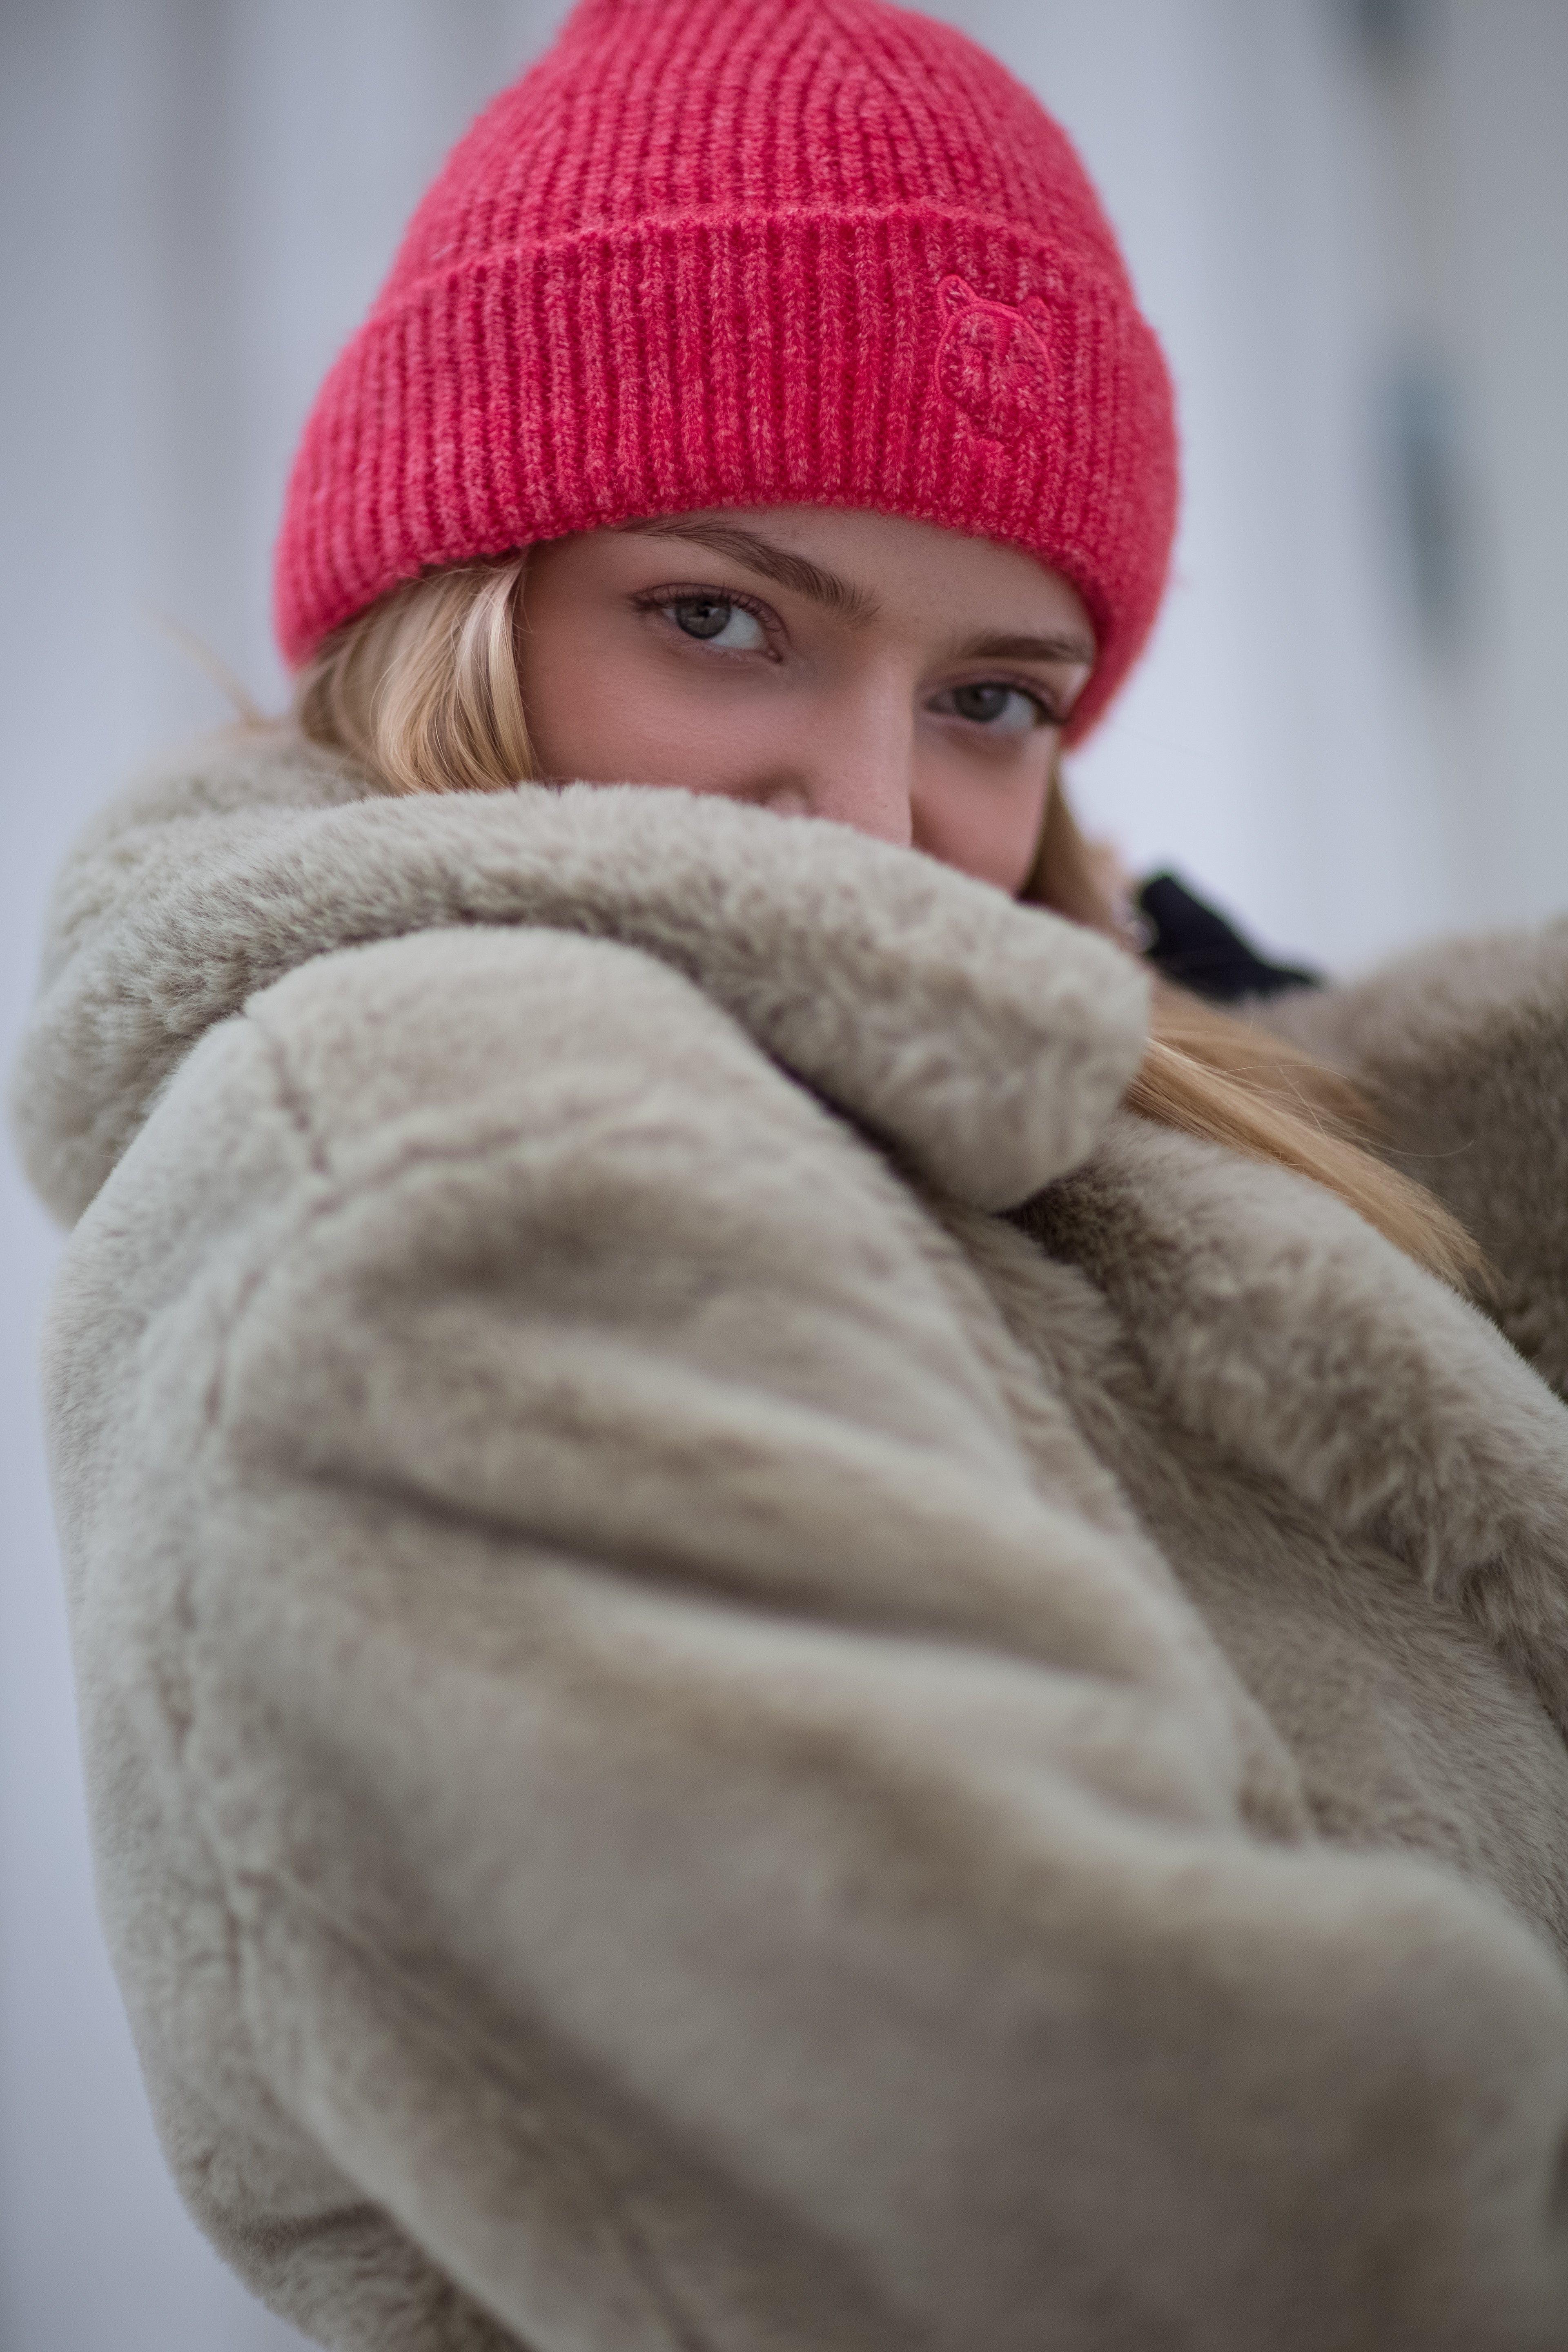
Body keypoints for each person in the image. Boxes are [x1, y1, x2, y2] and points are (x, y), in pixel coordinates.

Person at [15, 0, 1568, 2345]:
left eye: (991, 699)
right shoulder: (457, 1155)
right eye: (721, 620)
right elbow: (1173, 2184)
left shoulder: (1008, 1108)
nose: (864, 813)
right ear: (463, 606)